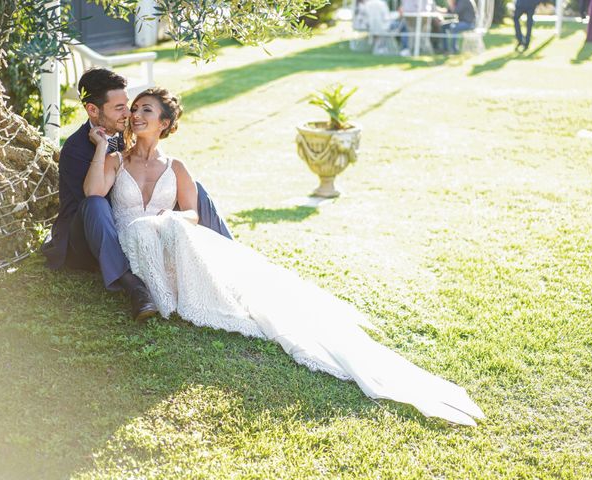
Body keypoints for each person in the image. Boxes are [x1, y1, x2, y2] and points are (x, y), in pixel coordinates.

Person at [84, 86, 485, 426]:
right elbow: (92, 195)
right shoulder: (117, 160)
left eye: (145, 110)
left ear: (165, 123)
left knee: (185, 238)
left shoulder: (178, 166)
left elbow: (192, 213)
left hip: (169, 240)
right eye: (134, 109)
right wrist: (103, 146)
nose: (136, 115)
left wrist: (164, 219)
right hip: (134, 246)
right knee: (147, 227)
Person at [41, 68, 233, 321]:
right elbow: (96, 198)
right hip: (86, 236)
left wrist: (166, 211)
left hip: (137, 223)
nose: (129, 114)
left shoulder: (127, 134)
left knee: (195, 188)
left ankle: (231, 261)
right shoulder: (76, 149)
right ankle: (132, 284)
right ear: (93, 110)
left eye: (129, 106)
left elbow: (146, 171)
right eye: (119, 107)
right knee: (96, 204)